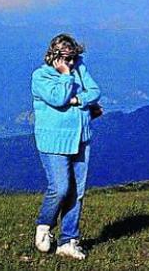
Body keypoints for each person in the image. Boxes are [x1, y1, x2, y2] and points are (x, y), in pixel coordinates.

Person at [31, 33, 101, 260]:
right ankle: (44, 224)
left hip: (81, 137)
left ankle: (68, 241)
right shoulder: (41, 77)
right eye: (66, 58)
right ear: (54, 55)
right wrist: (66, 76)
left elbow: (95, 91)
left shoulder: (80, 67)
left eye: (73, 58)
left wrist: (78, 100)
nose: (71, 62)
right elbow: (59, 98)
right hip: (54, 142)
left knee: (76, 192)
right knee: (60, 187)